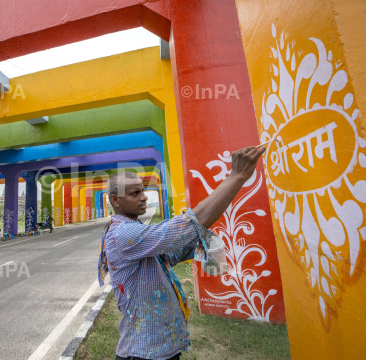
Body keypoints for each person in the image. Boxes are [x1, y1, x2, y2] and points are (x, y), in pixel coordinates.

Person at [98, 146, 266, 360]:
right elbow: (183, 227)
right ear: (115, 200)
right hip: (144, 353)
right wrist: (237, 176)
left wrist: (199, 237)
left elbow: (168, 255)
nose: (143, 198)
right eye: (135, 193)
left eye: (143, 191)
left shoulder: (135, 229)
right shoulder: (122, 234)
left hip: (160, 347)